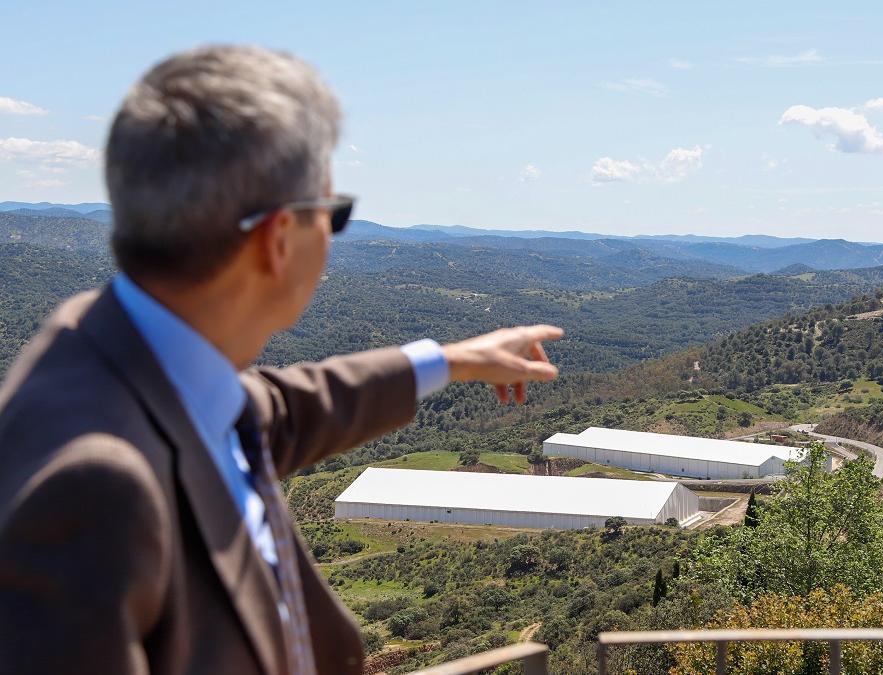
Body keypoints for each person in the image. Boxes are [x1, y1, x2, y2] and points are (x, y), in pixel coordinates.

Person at [0, 45, 562, 675]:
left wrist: (453, 360)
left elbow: (286, 406)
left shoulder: (129, 359)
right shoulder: (92, 487)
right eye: (333, 214)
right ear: (276, 240)